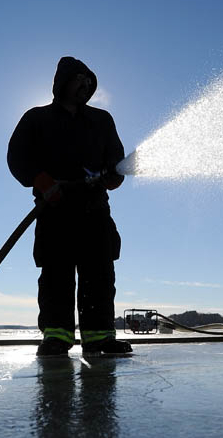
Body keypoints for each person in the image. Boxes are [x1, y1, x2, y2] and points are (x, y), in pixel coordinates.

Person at [7, 57, 132, 357]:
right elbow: (17, 157)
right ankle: (57, 337)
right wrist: (40, 180)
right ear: (62, 82)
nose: (86, 85)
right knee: (56, 276)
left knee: (99, 275)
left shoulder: (102, 121)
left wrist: (115, 175)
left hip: (94, 213)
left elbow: (116, 162)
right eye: (79, 79)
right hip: (55, 212)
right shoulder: (36, 119)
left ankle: (100, 338)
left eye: (89, 81)